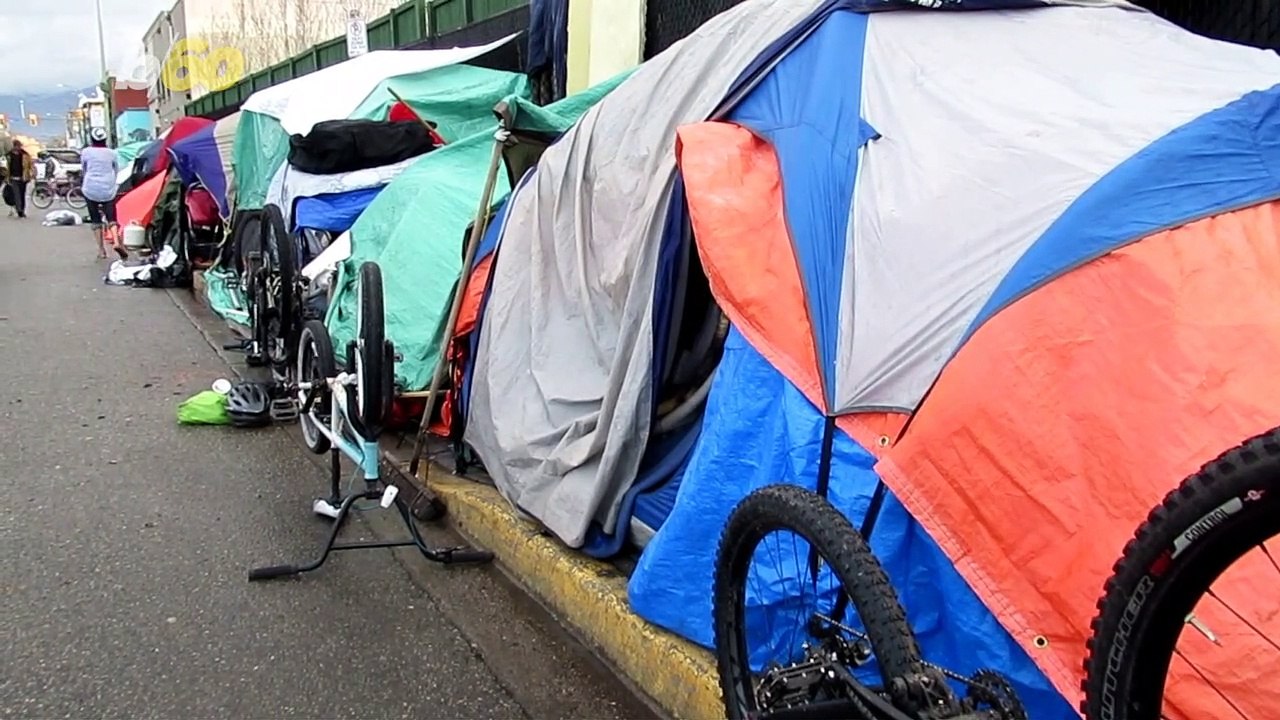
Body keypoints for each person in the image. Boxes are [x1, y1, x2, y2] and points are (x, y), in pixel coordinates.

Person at [79, 128, 125, 260]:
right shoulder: (112, 153)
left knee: (95, 220)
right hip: (108, 188)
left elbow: (84, 168)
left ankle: (101, 250)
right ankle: (116, 242)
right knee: (112, 217)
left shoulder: (86, 152)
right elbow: (115, 169)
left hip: (90, 188)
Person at [6, 139, 34, 219]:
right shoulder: (9, 155)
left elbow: (30, 165)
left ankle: (22, 210)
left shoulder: (25, 155)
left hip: (23, 178)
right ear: (14, 146)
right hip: (13, 178)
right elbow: (6, 166)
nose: (18, 148)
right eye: (17, 146)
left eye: (19, 146)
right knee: (17, 195)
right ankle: (19, 211)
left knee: (22, 195)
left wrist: (31, 174)